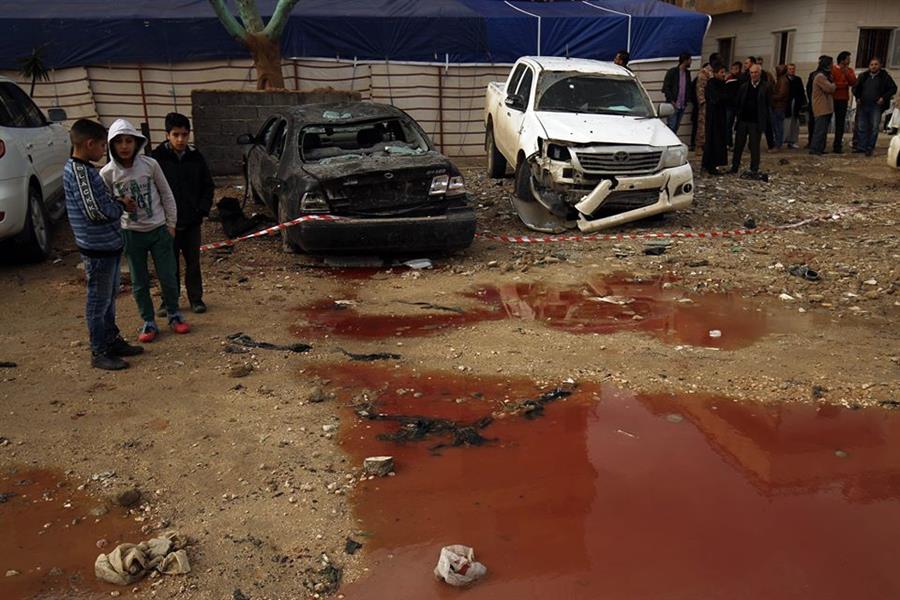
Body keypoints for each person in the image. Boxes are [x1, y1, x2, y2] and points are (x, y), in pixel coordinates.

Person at [100, 118, 191, 343]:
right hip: (131, 232)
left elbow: (166, 194)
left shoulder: (150, 165)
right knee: (139, 280)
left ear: (136, 142)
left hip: (159, 229)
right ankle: (148, 320)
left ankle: (174, 313)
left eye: (128, 141)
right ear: (111, 145)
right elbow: (106, 204)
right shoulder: (107, 173)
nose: (124, 146)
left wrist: (170, 224)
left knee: (168, 275)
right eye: (119, 141)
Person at [63, 119, 144, 370]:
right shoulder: (80, 172)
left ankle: (111, 340)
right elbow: (94, 212)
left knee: (108, 298)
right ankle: (99, 350)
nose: (103, 151)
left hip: (106, 245)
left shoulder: (85, 170)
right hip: (96, 249)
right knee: (98, 302)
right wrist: (119, 206)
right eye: (101, 145)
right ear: (89, 144)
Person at [151, 112, 215, 315]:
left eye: (185, 135)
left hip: (192, 221)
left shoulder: (196, 157)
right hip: (166, 224)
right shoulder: (156, 159)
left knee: (193, 264)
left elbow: (208, 186)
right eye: (176, 134)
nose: (181, 139)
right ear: (167, 134)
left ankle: (196, 299)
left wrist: (201, 210)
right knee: (168, 266)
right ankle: (168, 301)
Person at [731, 64, 771, 175]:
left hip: (756, 121)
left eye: (756, 72)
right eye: (752, 73)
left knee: (754, 146)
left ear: (760, 73)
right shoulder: (744, 87)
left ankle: (754, 168)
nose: (753, 75)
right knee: (738, 145)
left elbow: (768, 105)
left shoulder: (765, 87)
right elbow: (738, 102)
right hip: (743, 120)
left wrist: (764, 121)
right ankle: (734, 166)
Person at [853, 57, 897, 156]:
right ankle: (861, 147)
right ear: (869, 66)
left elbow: (893, 88)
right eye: (872, 64)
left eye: (876, 64)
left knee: (874, 127)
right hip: (863, 105)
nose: (873, 66)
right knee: (861, 126)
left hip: (876, 106)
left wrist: (883, 98)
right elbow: (855, 88)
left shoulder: (884, 77)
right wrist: (858, 97)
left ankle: (870, 147)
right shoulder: (863, 76)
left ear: (880, 65)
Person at [702, 63, 729, 176]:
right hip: (713, 118)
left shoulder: (722, 84)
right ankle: (709, 165)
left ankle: (715, 164)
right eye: (721, 72)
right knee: (712, 141)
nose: (723, 75)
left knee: (719, 141)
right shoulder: (712, 84)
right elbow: (715, 99)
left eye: (724, 72)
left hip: (721, 117)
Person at [830, 51, 857, 153]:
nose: (849, 60)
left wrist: (846, 74)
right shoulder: (833, 69)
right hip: (833, 98)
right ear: (843, 60)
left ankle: (837, 145)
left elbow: (853, 82)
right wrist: (843, 84)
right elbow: (832, 83)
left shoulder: (849, 70)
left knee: (840, 123)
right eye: (848, 58)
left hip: (843, 99)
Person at [809, 56, 836, 155]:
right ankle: (815, 149)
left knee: (823, 130)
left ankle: (820, 148)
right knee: (819, 130)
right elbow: (830, 88)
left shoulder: (826, 76)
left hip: (826, 107)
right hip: (821, 107)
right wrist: (834, 84)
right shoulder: (820, 76)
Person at [694, 53, 720, 154]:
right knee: (702, 125)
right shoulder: (704, 72)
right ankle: (699, 146)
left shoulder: (716, 71)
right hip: (706, 103)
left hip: (714, 103)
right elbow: (700, 88)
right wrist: (702, 102)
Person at [663, 53, 692, 133]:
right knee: (671, 126)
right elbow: (666, 87)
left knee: (676, 127)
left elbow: (688, 87)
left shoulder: (687, 73)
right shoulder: (672, 72)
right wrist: (671, 100)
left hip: (682, 104)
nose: (691, 62)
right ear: (685, 60)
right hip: (673, 104)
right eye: (690, 60)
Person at [805, 57, 826, 148]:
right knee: (817, 125)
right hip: (819, 103)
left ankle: (813, 143)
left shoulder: (814, 74)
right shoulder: (819, 75)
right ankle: (815, 144)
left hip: (814, 102)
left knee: (815, 124)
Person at [785, 63, 807, 149]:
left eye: (793, 69)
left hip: (796, 105)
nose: (792, 70)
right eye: (790, 69)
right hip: (786, 105)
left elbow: (801, 93)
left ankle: (792, 141)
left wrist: (802, 104)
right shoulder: (784, 80)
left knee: (794, 123)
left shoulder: (798, 79)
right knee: (786, 123)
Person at [770, 64, 790, 149]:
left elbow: (781, 94)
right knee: (777, 126)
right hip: (778, 106)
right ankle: (778, 143)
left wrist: (771, 96)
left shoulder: (783, 80)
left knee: (778, 127)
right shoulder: (781, 80)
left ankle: (778, 144)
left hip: (779, 106)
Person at [725, 62, 743, 147]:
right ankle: (729, 143)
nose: (734, 71)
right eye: (732, 69)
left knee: (739, 127)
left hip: (738, 106)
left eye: (736, 69)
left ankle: (738, 144)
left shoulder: (741, 79)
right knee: (728, 125)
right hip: (730, 105)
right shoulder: (729, 79)